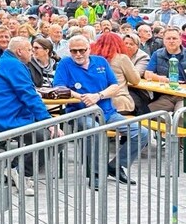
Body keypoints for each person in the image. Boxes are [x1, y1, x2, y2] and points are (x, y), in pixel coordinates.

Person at [54, 35, 149, 187]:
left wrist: (98, 96)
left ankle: (116, 166)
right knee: (95, 130)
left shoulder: (101, 62)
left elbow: (114, 85)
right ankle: (96, 173)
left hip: (107, 111)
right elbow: (59, 87)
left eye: (81, 50)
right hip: (80, 112)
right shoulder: (65, 64)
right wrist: (82, 97)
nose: (78, 54)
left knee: (142, 133)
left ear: (89, 49)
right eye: (74, 51)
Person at [0, 37, 61, 196]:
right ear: (19, 51)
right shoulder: (14, 65)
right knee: (54, 138)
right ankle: (21, 172)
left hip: (0, 117)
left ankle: (14, 169)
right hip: (7, 120)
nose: (32, 53)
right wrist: (49, 122)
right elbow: (29, 96)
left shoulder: (4, 62)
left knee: (49, 135)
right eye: (29, 50)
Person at [91, 31, 139, 114]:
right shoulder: (121, 58)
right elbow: (135, 80)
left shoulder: (92, 59)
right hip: (119, 103)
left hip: (96, 103)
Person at [143, 26, 186, 113]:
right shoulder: (157, 54)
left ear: (180, 40)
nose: (171, 41)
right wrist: (164, 79)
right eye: (168, 38)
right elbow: (147, 74)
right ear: (164, 41)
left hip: (183, 96)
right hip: (165, 95)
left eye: (174, 38)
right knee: (145, 113)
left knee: (180, 117)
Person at [123, 33, 153, 114]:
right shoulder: (120, 54)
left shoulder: (143, 57)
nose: (128, 46)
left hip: (139, 90)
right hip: (124, 88)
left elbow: (135, 75)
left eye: (131, 44)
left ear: (137, 46)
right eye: (126, 43)